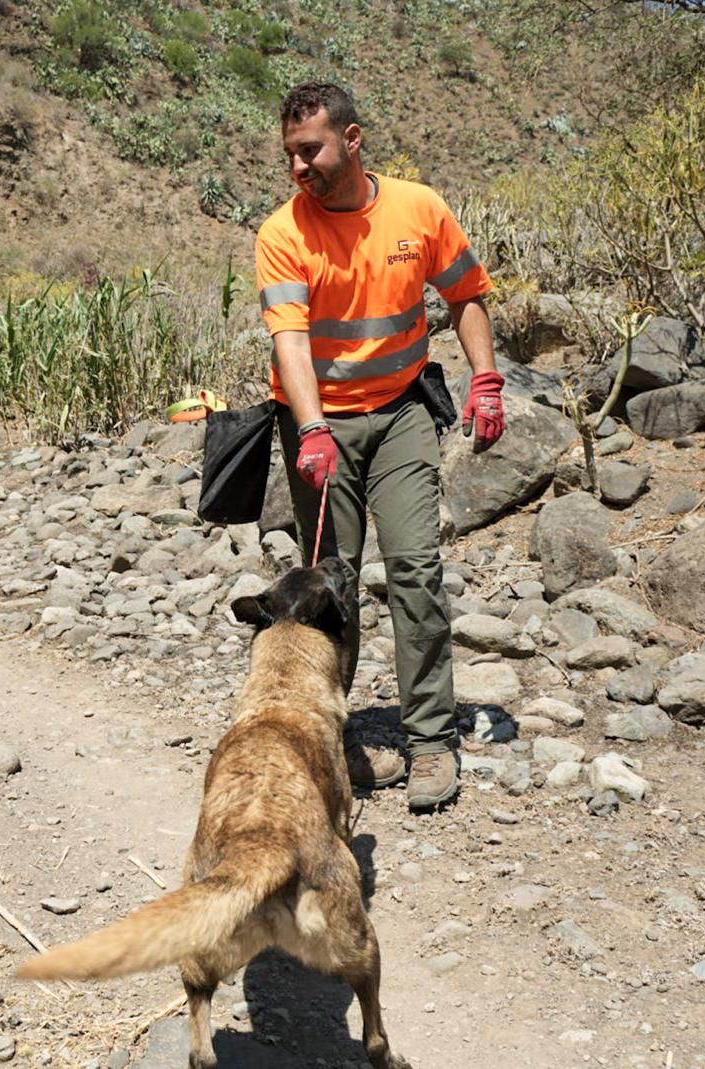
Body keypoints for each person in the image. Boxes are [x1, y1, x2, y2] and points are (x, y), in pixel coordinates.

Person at [255, 81, 505, 812]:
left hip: (399, 414)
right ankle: (333, 742)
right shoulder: (283, 233)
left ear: (353, 138)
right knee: (329, 582)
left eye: (312, 150)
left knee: (416, 569)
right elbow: (291, 342)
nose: (299, 167)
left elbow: (465, 295)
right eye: (290, 155)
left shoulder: (417, 209)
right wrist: (310, 428)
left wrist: (486, 379)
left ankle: (429, 740)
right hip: (318, 423)